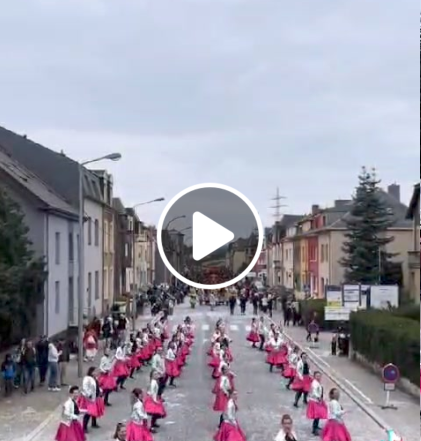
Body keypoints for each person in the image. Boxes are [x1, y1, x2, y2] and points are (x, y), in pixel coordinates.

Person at [78, 366, 104, 433]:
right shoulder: (87, 379)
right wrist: (88, 395)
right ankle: (84, 427)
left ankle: (93, 423)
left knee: (94, 411)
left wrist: (100, 391)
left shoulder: (94, 378)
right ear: (91, 372)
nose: (97, 372)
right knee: (88, 413)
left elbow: (96, 386)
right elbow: (85, 388)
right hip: (88, 398)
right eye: (95, 371)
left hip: (95, 397)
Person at [306, 371, 327, 435]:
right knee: (317, 415)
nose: (319, 377)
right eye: (317, 376)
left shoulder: (317, 382)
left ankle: (316, 426)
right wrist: (319, 397)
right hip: (315, 400)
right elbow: (315, 392)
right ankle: (314, 429)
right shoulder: (315, 383)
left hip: (317, 400)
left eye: (319, 376)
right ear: (314, 376)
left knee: (318, 414)